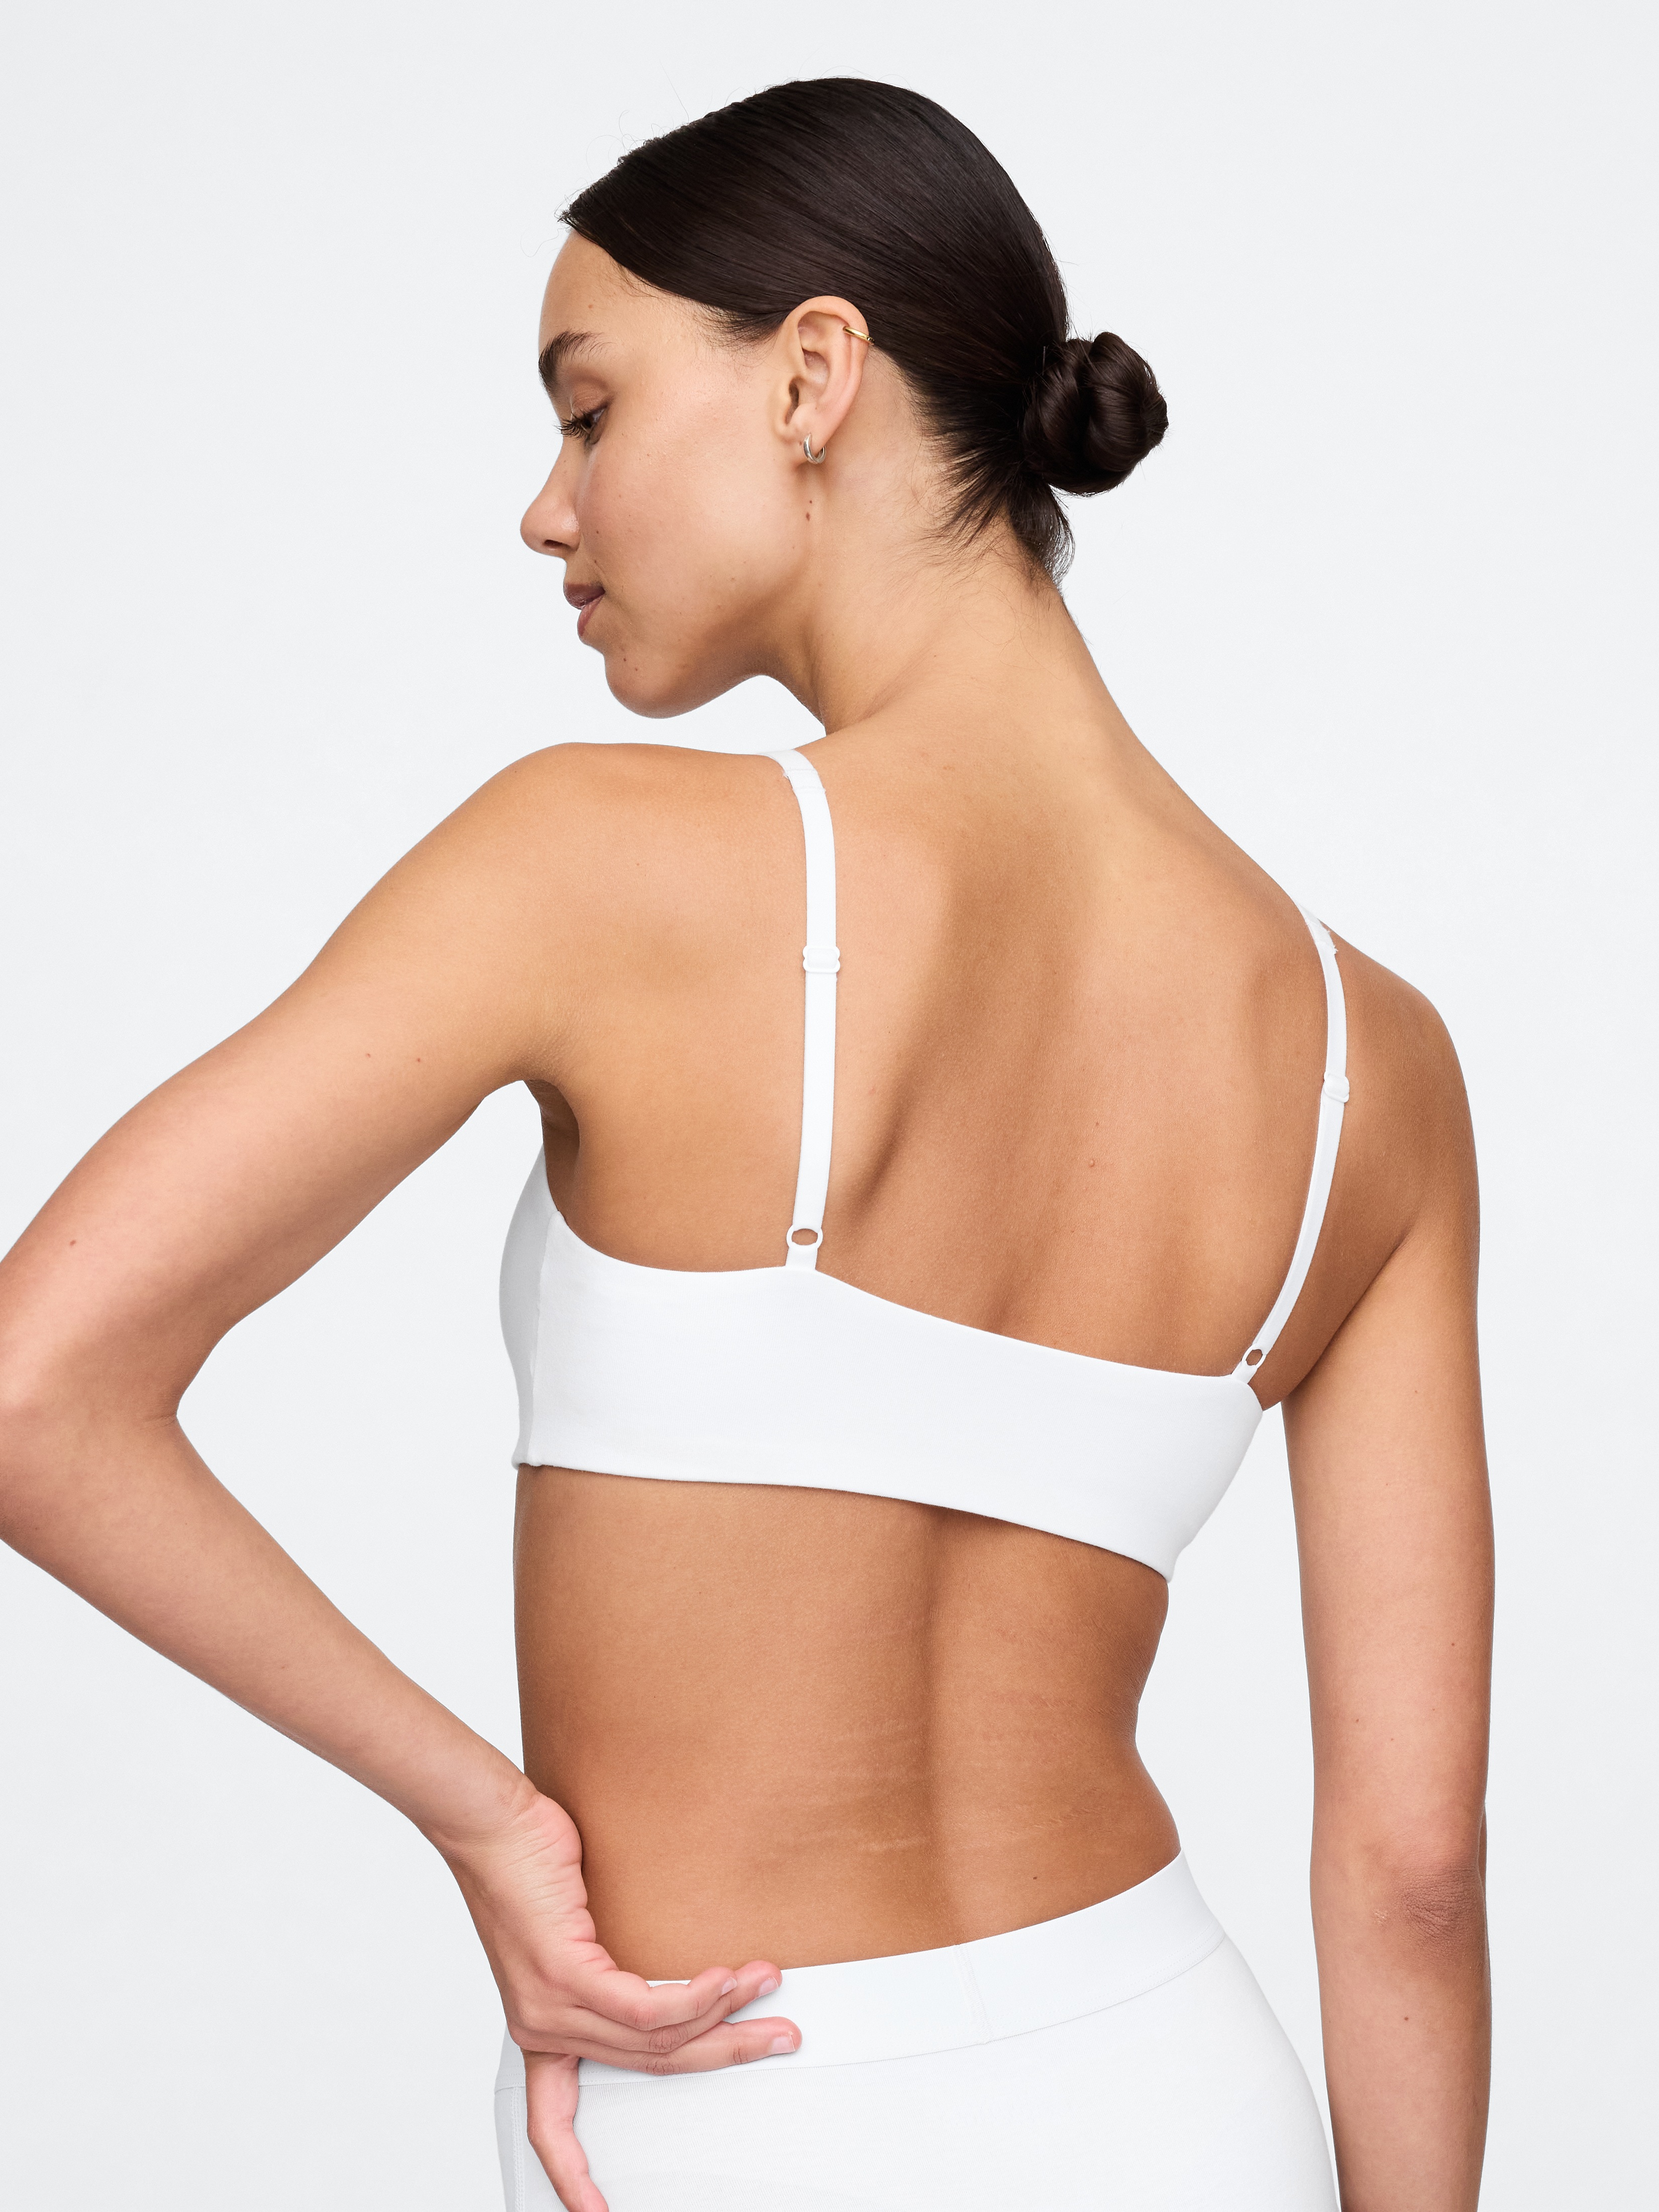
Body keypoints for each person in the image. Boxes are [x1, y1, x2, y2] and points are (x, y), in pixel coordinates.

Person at [0, 76, 1491, 2212]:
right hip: (1177, 2089)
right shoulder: (1375, 1060)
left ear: (811, 376)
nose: (547, 510)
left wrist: (492, 1825)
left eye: (589, 411)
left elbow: (33, 1387)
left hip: (733, 2105)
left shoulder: (599, 863)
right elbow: (1412, 1869)